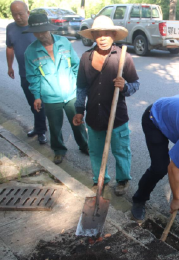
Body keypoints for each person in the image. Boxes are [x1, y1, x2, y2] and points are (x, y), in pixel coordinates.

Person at [73, 16, 140, 196]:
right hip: (94, 116)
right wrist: (79, 110)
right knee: (95, 152)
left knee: (121, 151)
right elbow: (81, 88)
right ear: (93, 36)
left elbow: (135, 84)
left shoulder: (123, 56)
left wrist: (124, 86)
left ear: (113, 35)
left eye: (106, 34)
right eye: (98, 34)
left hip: (117, 117)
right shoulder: (86, 58)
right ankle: (100, 179)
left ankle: (123, 180)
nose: (102, 38)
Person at [24, 13, 88, 164]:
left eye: (43, 31)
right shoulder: (31, 52)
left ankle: (84, 145)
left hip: (71, 93)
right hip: (50, 96)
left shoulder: (64, 42)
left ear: (49, 29)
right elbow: (33, 77)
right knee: (54, 126)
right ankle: (59, 150)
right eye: (37, 32)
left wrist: (79, 88)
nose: (41, 35)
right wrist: (37, 96)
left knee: (78, 122)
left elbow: (75, 65)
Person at [6, 0, 47, 144]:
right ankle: (38, 127)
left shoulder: (36, 28)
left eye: (20, 14)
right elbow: (10, 47)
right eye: (14, 14)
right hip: (25, 74)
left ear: (28, 13)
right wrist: (10, 66)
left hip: (41, 75)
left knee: (40, 104)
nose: (17, 17)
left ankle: (42, 131)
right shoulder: (10, 28)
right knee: (33, 104)